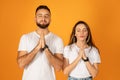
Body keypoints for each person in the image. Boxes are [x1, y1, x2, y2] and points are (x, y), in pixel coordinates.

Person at [17, 5, 64, 80]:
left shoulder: (58, 40)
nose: (43, 18)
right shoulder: (25, 38)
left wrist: (45, 48)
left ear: (50, 19)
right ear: (35, 19)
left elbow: (58, 68)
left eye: (46, 16)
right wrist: (37, 47)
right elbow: (21, 64)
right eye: (40, 16)